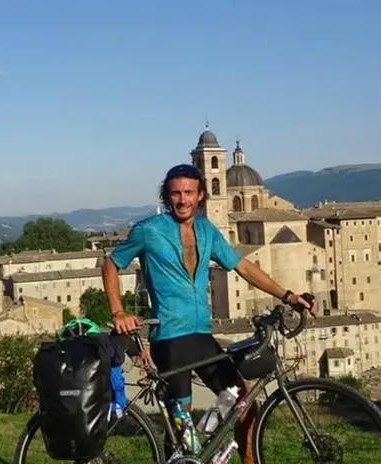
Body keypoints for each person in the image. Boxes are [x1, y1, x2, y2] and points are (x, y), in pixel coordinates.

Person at [101, 163, 317, 464]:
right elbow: (111, 264)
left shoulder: (206, 231)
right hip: (170, 338)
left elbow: (243, 266)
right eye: (176, 193)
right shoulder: (149, 230)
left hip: (201, 336)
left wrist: (287, 295)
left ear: (200, 195)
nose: (183, 200)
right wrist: (118, 311)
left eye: (189, 192)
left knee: (242, 405)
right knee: (183, 427)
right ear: (167, 196)